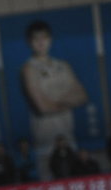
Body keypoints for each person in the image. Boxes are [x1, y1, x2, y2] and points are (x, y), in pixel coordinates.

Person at [21, 20, 88, 156]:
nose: (41, 42)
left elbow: (82, 96)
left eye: (44, 37)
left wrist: (54, 102)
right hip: (45, 141)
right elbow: (44, 108)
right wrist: (68, 100)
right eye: (36, 39)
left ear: (50, 39)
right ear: (29, 42)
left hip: (68, 137)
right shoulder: (28, 69)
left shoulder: (63, 66)